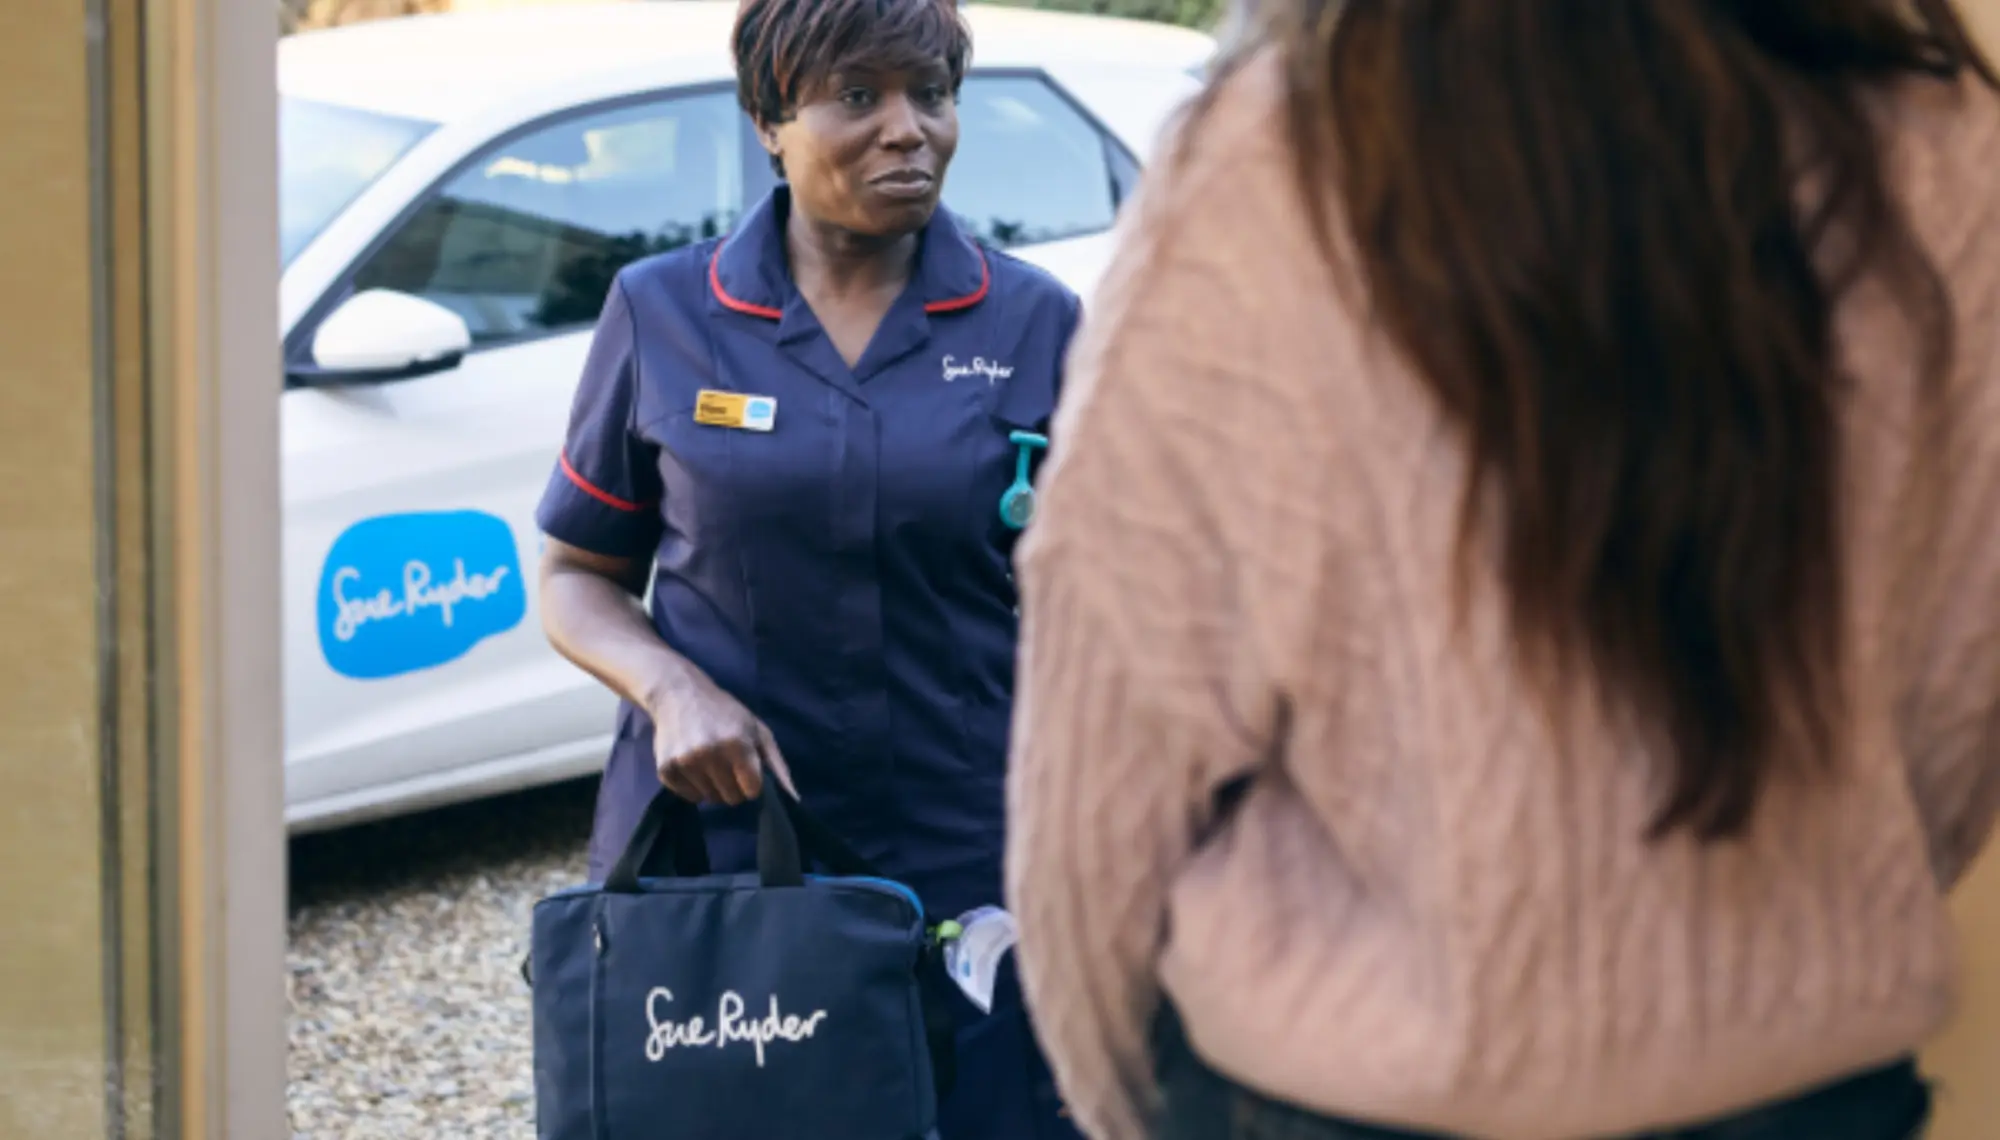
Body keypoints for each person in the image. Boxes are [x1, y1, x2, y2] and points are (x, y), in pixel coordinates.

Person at [1004, 2, 2000, 1138]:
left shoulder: (1265, 169)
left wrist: (1140, 1114)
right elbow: (1954, 705)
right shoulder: (1942, 150)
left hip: (1327, 1098)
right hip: (1802, 1095)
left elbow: (1101, 792)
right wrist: (1774, 911)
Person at [533, 0, 1084, 1135]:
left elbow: (1105, 612)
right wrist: (674, 689)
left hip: (969, 846)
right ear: (768, 120)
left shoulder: (1035, 323)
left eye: (930, 94)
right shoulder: (663, 313)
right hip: (722, 851)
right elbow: (576, 574)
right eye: (857, 97)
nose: (907, 129)